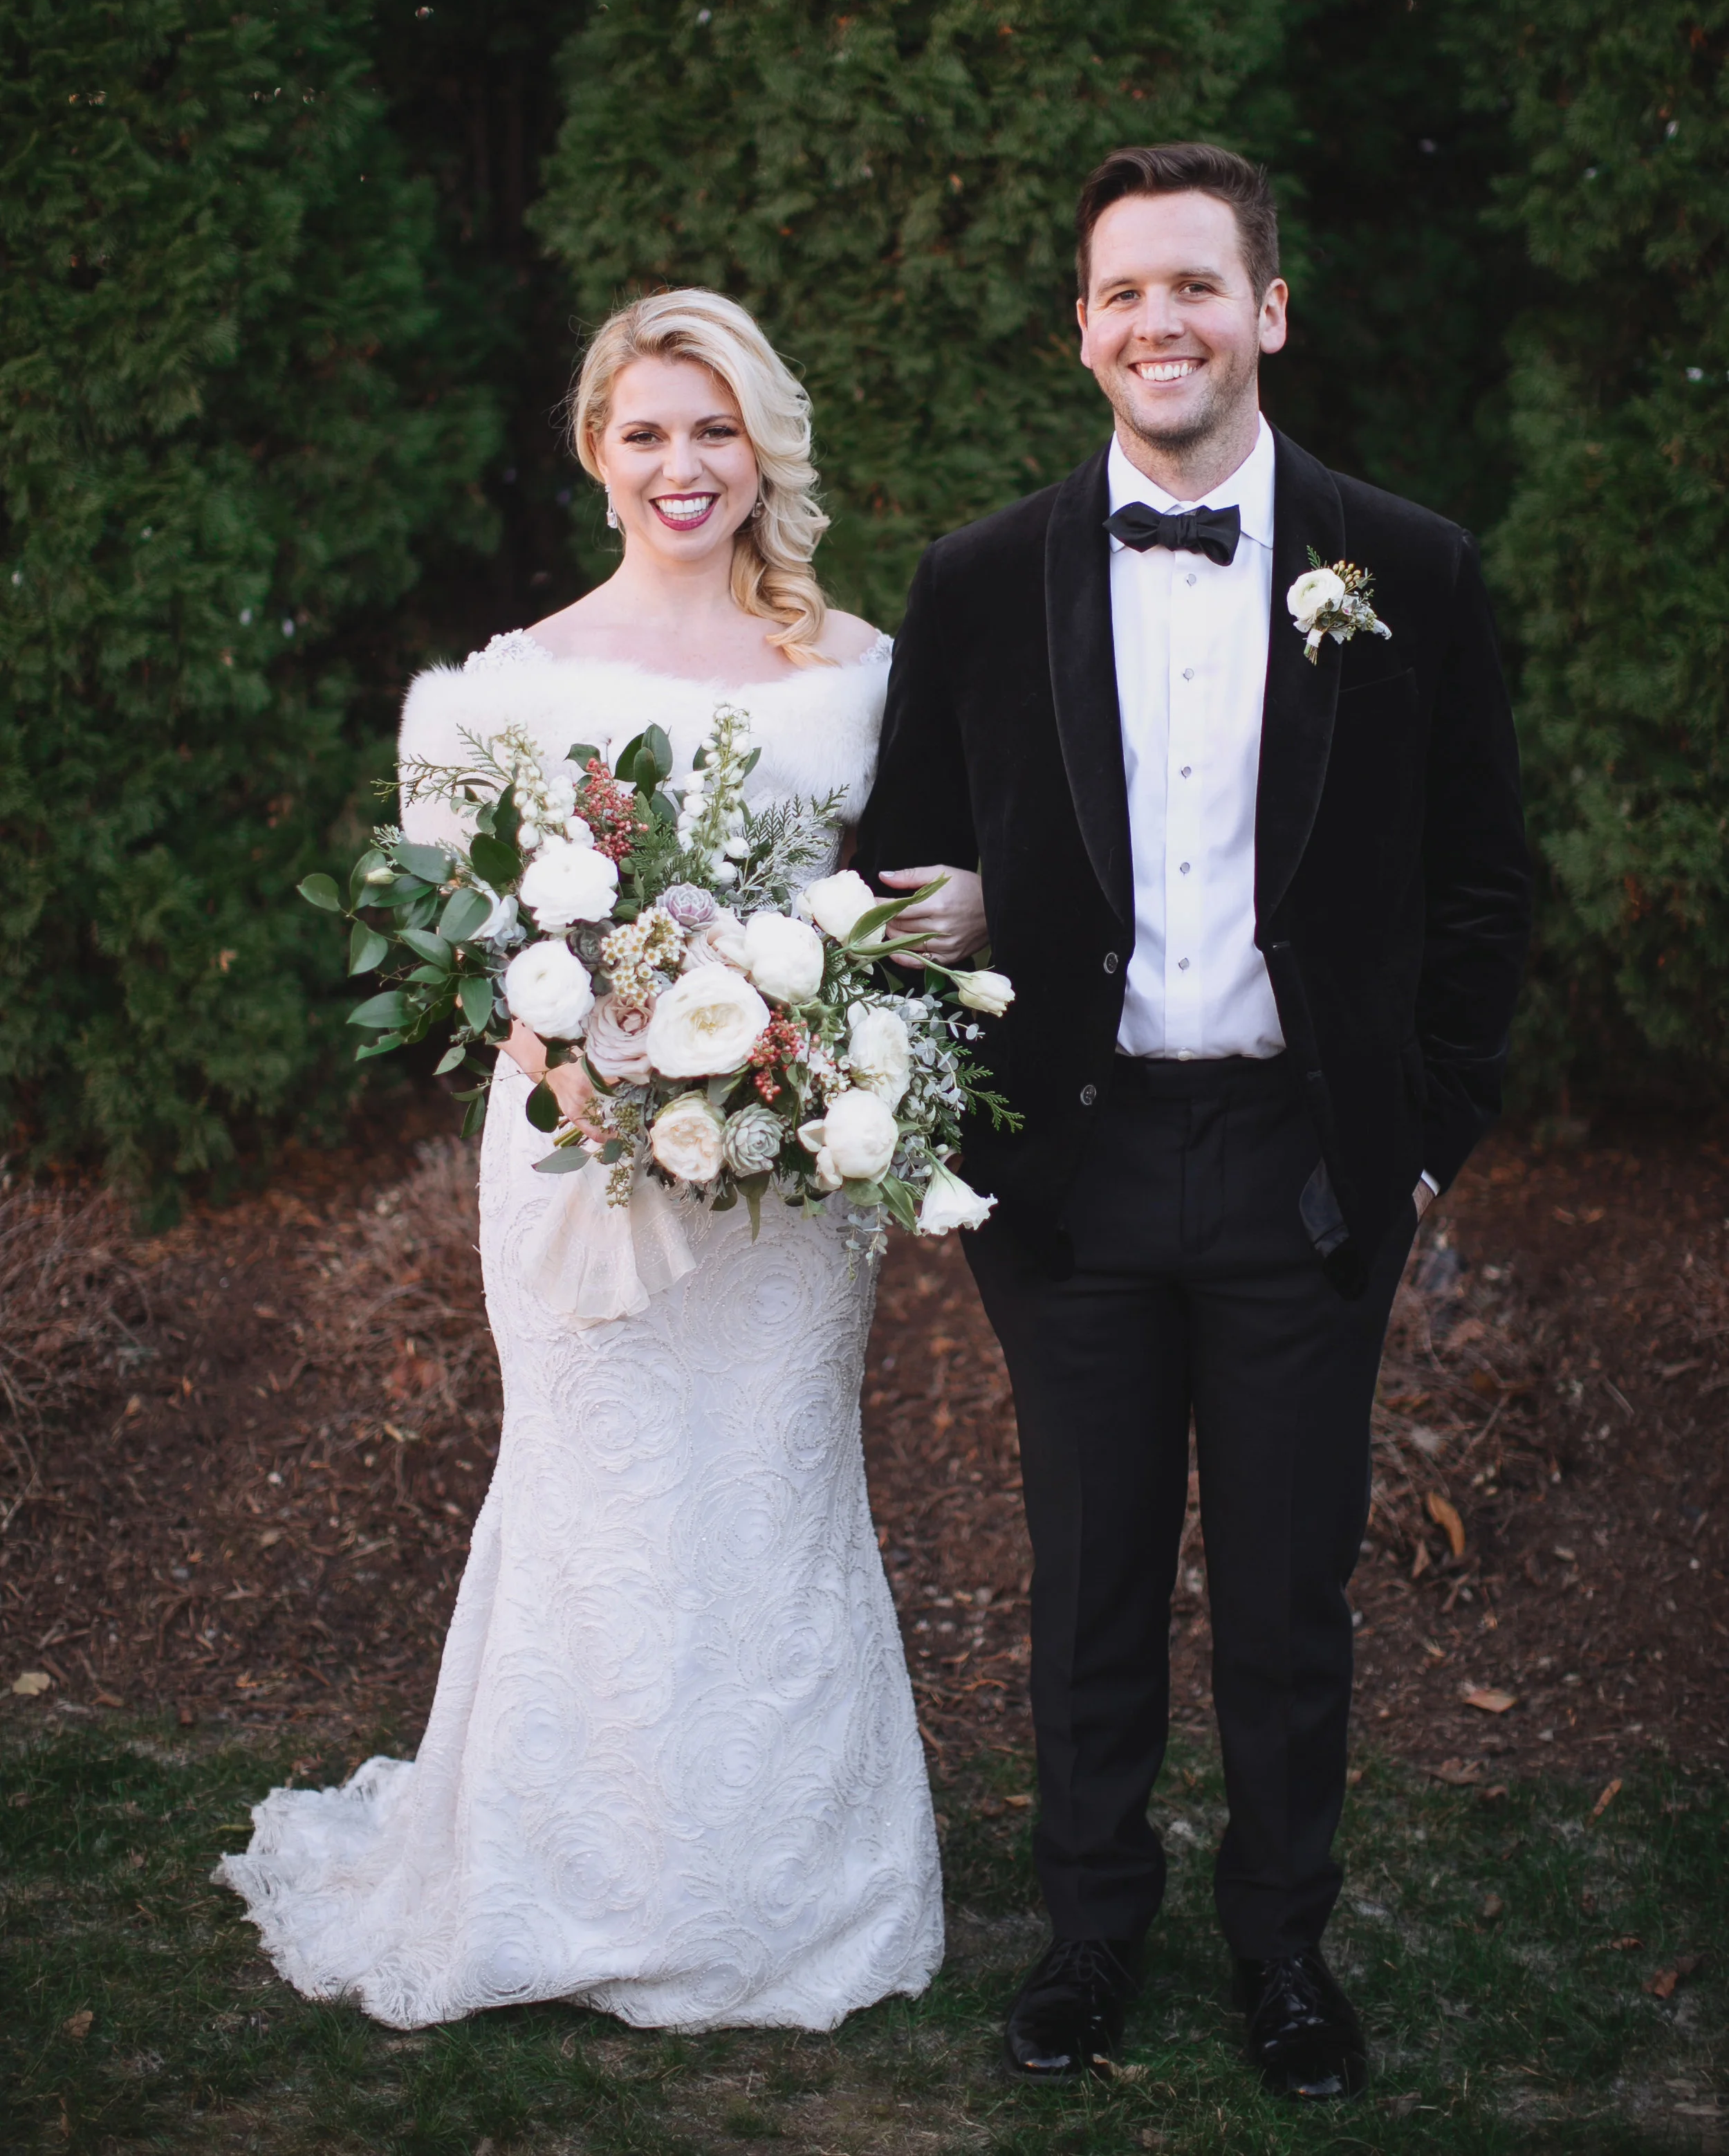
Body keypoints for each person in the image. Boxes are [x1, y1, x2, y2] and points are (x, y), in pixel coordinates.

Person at [855, 144, 1531, 2097]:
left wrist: (1416, 1141)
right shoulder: (981, 580)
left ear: (1266, 311)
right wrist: (955, 1114)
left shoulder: (1403, 566)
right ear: (1081, 330)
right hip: (1067, 1166)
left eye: (1193, 285)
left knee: (1286, 1592)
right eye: (1120, 293)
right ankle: (1085, 1930)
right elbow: (899, 864)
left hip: (1305, 1166)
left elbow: (1482, 883)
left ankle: (1282, 1945)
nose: (1158, 321)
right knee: (1083, 1573)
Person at [215, 288, 963, 2032]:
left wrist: (885, 961)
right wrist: (584, 1071)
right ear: (593, 451)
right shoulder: (505, 691)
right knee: (601, 1499)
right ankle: (561, 1876)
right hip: (573, 1157)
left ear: (761, 444)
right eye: (646, 431)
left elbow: (904, 890)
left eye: (714, 429)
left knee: (768, 1498)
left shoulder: (858, 675)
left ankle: (784, 1901)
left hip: (789, 1170)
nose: (681, 464)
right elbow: (467, 950)